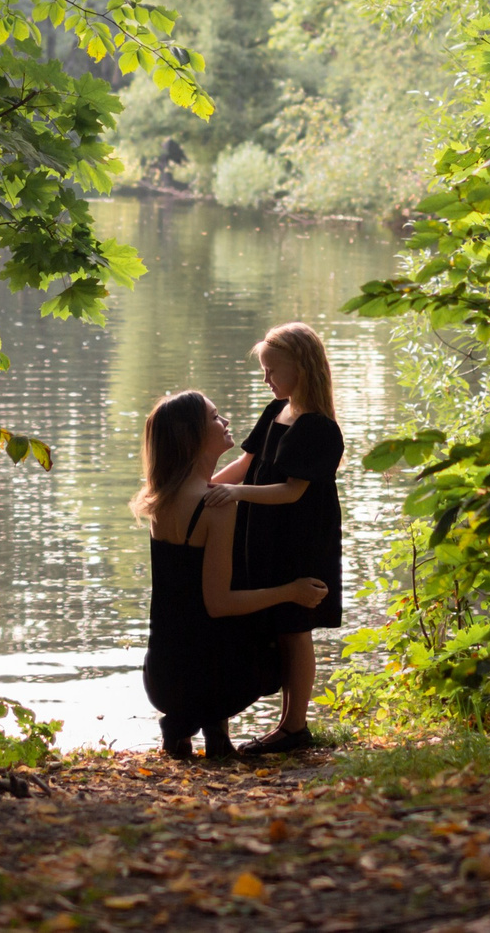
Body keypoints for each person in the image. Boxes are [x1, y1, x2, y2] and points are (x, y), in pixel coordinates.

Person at [134, 389, 330, 760]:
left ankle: (215, 737)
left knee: (201, 627)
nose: (225, 423)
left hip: (160, 675)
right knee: (273, 649)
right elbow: (220, 603)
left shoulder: (161, 496)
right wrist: (291, 590)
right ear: (191, 435)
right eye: (214, 417)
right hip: (199, 682)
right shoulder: (215, 506)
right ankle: (181, 725)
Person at [206, 322, 344, 755]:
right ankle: (284, 725)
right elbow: (247, 464)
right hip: (264, 535)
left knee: (296, 628)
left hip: (302, 540)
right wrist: (202, 487)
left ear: (300, 367)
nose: (266, 379)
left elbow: (292, 491)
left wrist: (233, 494)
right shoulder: (275, 411)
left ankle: (294, 727)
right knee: (277, 628)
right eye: (264, 371)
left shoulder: (319, 428)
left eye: (271, 370)